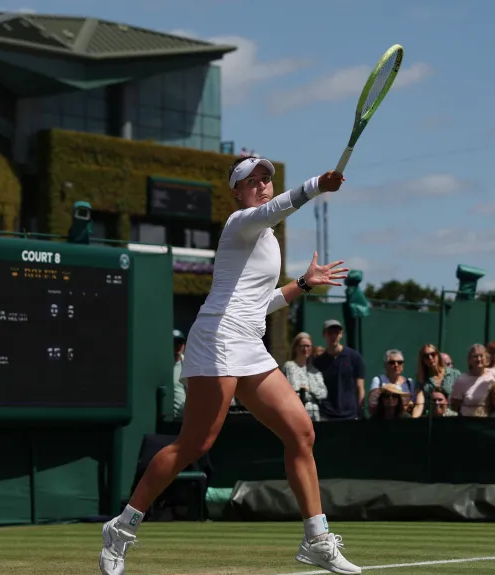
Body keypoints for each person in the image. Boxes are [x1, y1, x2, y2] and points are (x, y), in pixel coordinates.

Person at [99, 156, 360, 575]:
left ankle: (317, 539)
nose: (261, 184)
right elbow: (277, 210)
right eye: (250, 180)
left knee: (301, 431)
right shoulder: (241, 221)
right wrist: (317, 185)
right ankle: (122, 528)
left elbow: (261, 306)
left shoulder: (268, 241)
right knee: (195, 445)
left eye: (266, 179)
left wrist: (304, 284)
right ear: (237, 193)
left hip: (247, 341)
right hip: (217, 336)